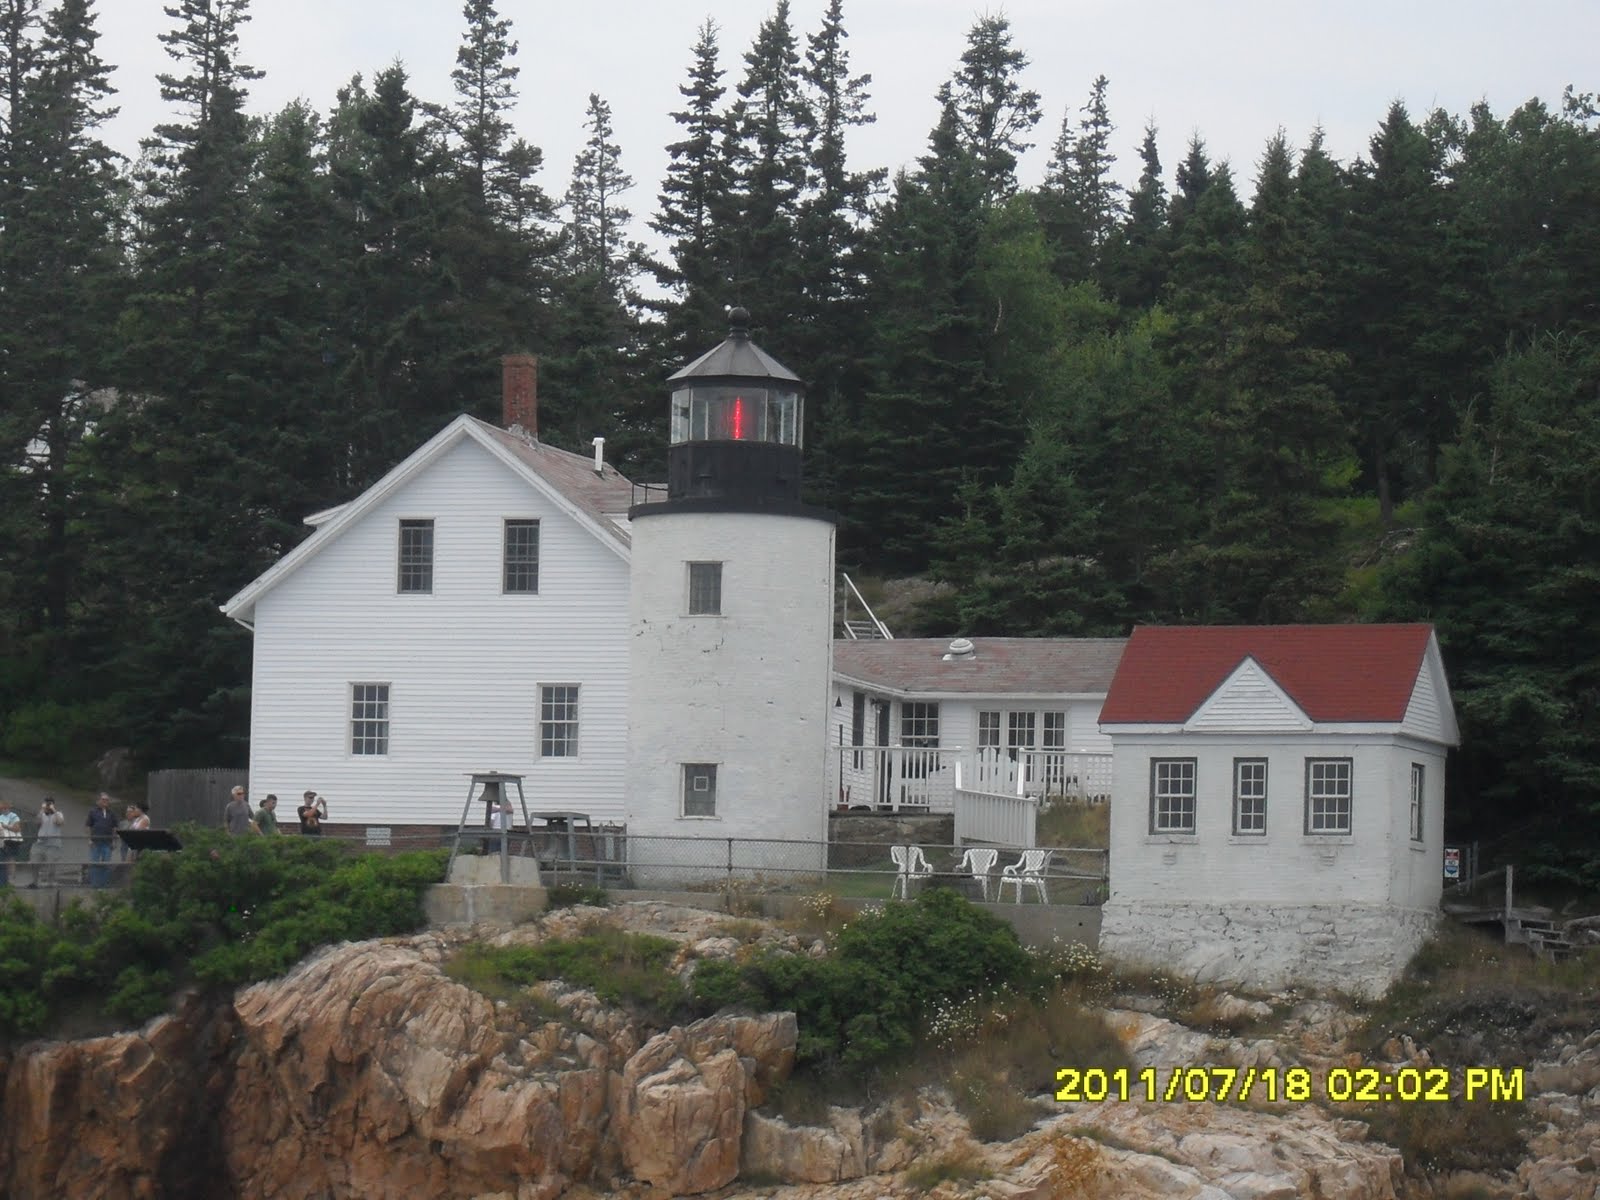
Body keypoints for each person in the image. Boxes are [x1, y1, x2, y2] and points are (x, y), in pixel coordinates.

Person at [86, 793, 119, 887]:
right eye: (103, 800)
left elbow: (115, 828)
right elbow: (88, 826)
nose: (105, 802)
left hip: (107, 842)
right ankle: (94, 884)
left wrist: (114, 841)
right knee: (94, 863)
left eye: (107, 800)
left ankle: (104, 884)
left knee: (106, 863)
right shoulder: (93, 812)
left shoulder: (112, 813)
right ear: (98, 801)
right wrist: (89, 839)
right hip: (95, 841)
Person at [33, 796, 64, 887]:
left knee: (51, 865)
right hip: (40, 843)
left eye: (50, 804)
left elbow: (60, 822)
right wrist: (42, 810)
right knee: (34, 863)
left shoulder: (58, 813)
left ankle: (50, 883)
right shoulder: (41, 814)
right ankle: (35, 883)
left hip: (53, 844)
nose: (48, 806)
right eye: (47, 804)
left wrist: (54, 811)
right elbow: (37, 822)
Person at [0, 798, 21, 886]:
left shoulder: (13, 816)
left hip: (12, 840)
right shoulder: (0, 817)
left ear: (8, 808)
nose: (3, 810)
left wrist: (6, 826)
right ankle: (6, 880)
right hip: (3, 840)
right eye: (2, 808)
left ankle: (12, 879)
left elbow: (17, 828)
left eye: (5, 808)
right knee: (4, 860)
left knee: (10, 859)